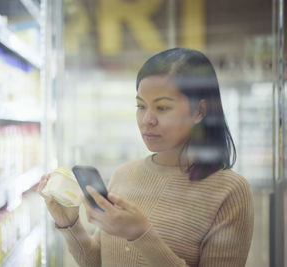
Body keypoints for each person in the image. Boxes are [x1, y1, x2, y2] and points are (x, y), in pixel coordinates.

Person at [38, 48, 254, 267]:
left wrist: (141, 234)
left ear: (199, 111)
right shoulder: (124, 174)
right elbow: (98, 262)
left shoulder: (230, 191)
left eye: (162, 107)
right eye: (141, 106)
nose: (147, 120)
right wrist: (70, 224)